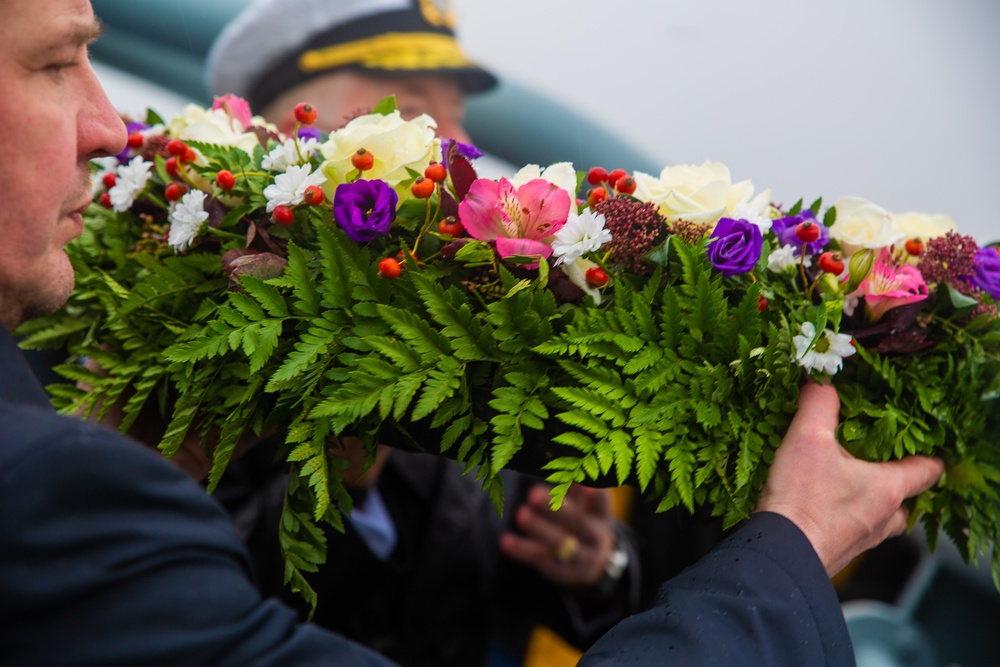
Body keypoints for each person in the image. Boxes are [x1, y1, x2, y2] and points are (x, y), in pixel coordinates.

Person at [0, 1, 945, 666]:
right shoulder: (101, 359)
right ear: (269, 133)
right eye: (405, 118)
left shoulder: (469, 369)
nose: (444, 155)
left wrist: (593, 569)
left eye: (453, 126)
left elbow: (548, 601)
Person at [205, 3, 641, 664]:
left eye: (458, 114)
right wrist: (340, 482)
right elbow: (177, 593)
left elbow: (551, 561)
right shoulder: (205, 322)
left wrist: (596, 565)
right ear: (283, 132)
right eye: (410, 105)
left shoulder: (494, 314)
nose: (449, 137)